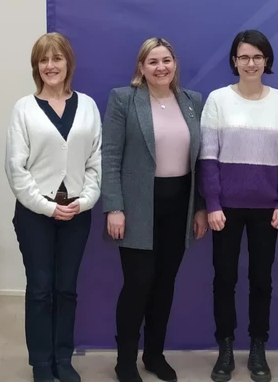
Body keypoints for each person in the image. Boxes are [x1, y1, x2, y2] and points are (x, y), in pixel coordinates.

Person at [101, 37, 208, 382]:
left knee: (165, 284)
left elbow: (201, 161)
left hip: (179, 204)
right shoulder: (124, 99)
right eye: (153, 62)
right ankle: (125, 360)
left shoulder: (193, 101)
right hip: (136, 206)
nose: (161, 67)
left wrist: (200, 208)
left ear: (175, 63)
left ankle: (154, 355)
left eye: (166, 60)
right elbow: (111, 156)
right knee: (138, 284)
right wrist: (114, 207)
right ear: (141, 68)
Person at [199, 29, 278, 382]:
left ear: (266, 61)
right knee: (224, 279)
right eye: (244, 57)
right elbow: (207, 157)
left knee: (261, 280)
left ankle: (258, 347)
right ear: (234, 61)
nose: (250, 63)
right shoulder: (217, 100)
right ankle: (225, 348)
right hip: (225, 208)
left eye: (257, 57)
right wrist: (212, 203)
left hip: (267, 210)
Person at [5, 32, 102, 382]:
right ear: (36, 67)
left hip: (77, 214)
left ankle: (63, 358)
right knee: (41, 289)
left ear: (68, 63)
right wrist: (47, 208)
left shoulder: (88, 106)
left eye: (56, 58)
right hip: (35, 216)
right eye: (43, 60)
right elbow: (16, 169)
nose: (50, 66)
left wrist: (85, 200)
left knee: (67, 288)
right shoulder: (24, 109)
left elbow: (95, 162)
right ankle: (42, 364)